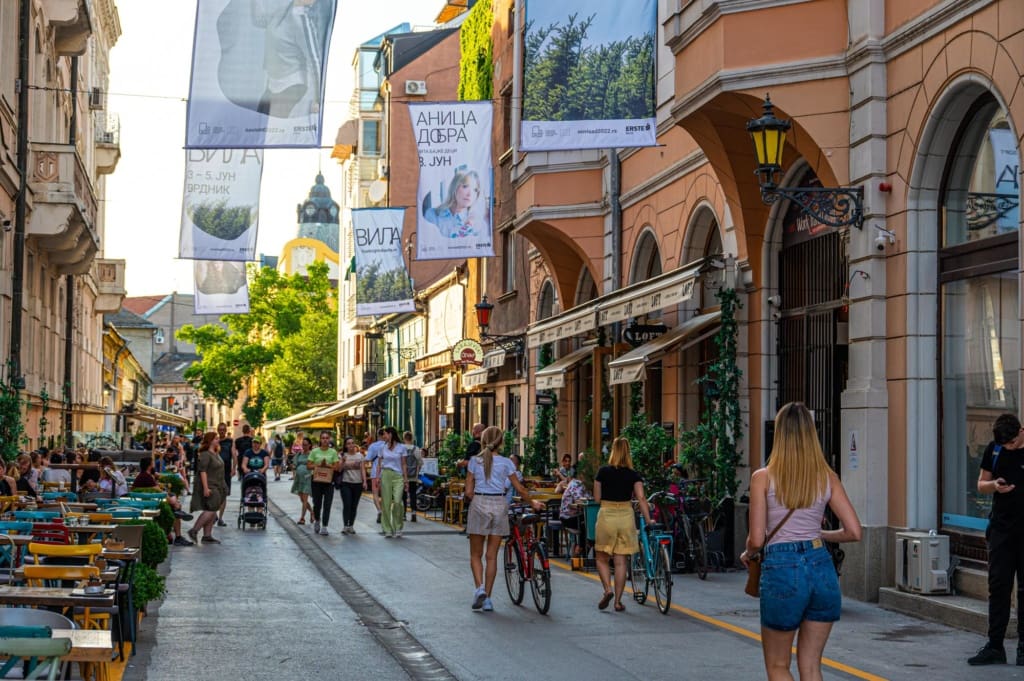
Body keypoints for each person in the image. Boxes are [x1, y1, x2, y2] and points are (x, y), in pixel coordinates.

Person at [741, 402, 861, 680]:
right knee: (811, 666)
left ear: (779, 434)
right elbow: (854, 531)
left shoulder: (763, 478)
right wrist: (820, 536)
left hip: (782, 569)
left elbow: (757, 539)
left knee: (779, 666)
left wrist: (748, 553)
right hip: (822, 568)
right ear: (811, 434)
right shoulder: (827, 477)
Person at [465, 426, 542, 612]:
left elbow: (468, 491)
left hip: (480, 502)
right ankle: (488, 599)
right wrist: (533, 503)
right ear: (500, 442)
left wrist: (477, 501)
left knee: (476, 554)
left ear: (483, 441)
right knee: (492, 556)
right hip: (499, 505)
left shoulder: (474, 462)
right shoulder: (507, 463)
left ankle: (479, 589)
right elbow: (520, 489)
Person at [969, 412, 1024, 666]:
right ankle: (995, 646)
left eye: (1012, 443)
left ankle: (1023, 648)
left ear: (1021, 432)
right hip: (1001, 530)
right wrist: (995, 487)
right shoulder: (995, 449)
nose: (1009, 447)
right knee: (999, 588)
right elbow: (981, 483)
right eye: (1005, 445)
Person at [594, 437, 653, 612]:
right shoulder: (633, 474)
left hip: (607, 515)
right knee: (621, 562)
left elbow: (597, 498)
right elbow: (641, 498)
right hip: (626, 516)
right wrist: (648, 520)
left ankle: (607, 589)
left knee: (602, 558)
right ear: (628, 452)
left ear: (613, 450)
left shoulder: (602, 472)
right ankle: (618, 602)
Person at [134, 456, 194, 546]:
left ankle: (177, 517)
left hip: (148, 500)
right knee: (174, 507)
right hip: (150, 503)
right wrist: (172, 501)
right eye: (153, 463)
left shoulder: (144, 475)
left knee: (174, 504)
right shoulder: (146, 477)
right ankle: (178, 535)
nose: (154, 464)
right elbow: (159, 492)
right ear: (149, 465)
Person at [188, 432, 228, 544]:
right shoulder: (205, 454)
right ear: (210, 441)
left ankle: (207, 535)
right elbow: (203, 471)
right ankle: (194, 530)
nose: (218, 440)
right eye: (216, 439)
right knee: (211, 510)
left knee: (213, 509)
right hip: (210, 485)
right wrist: (205, 488)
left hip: (218, 485)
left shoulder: (215, 453)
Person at [421, 169, 485, 239]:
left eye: (475, 190)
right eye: (465, 186)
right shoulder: (431, 215)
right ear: (454, 187)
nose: (470, 194)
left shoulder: (477, 224)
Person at [376, 427, 408, 539]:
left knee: (398, 501)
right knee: (386, 503)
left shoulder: (402, 447)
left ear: (390, 434)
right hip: (386, 475)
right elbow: (379, 464)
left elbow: (404, 464)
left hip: (398, 476)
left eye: (384, 434)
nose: (383, 436)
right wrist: (377, 477)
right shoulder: (382, 448)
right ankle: (387, 528)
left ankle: (398, 527)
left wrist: (406, 479)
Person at [306, 430, 340, 536]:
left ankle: (325, 526)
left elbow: (337, 467)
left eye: (326, 438)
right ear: (320, 439)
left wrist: (328, 465)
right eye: (323, 438)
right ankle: (317, 520)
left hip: (329, 481)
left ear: (329, 439)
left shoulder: (333, 452)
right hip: (316, 481)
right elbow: (308, 465)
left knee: (327, 504)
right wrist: (318, 464)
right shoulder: (314, 451)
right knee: (317, 503)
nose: (325, 440)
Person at [336, 436, 366, 534]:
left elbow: (363, 470)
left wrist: (364, 481)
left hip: (357, 483)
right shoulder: (342, 455)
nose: (351, 445)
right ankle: (345, 525)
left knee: (354, 505)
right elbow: (339, 469)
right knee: (347, 504)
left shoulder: (360, 456)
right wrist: (343, 461)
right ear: (345, 445)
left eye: (352, 443)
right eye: (348, 443)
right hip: (346, 483)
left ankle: (351, 526)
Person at [559, 470, 589, 555]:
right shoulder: (576, 484)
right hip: (568, 518)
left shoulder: (580, 484)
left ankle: (583, 548)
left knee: (589, 521)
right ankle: (580, 548)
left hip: (573, 516)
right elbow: (579, 501)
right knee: (587, 523)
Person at [290, 437, 314, 525]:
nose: (304, 446)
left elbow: (314, 465)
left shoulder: (312, 454)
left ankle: (302, 518)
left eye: (305, 444)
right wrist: (293, 466)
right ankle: (312, 512)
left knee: (304, 499)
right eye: (303, 444)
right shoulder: (299, 454)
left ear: (309, 445)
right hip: (299, 479)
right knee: (302, 499)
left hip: (307, 478)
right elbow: (294, 464)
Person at [215, 422, 234, 527]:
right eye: (220, 429)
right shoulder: (215, 441)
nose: (221, 431)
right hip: (216, 471)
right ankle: (214, 514)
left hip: (226, 471)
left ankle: (220, 518)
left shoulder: (230, 441)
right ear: (218, 430)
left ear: (226, 430)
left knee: (224, 495)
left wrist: (234, 468)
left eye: (223, 429)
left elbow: (233, 454)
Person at [365, 429, 385, 526]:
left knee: (375, 493)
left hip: (375, 473)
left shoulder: (373, 446)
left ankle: (379, 511)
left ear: (378, 435)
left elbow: (368, 458)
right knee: (385, 494)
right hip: (387, 472)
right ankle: (383, 510)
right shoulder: (389, 445)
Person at [402, 432, 423, 523]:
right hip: (413, 476)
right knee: (413, 494)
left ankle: (403, 514)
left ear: (404, 438)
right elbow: (420, 462)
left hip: (403, 476)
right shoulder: (416, 449)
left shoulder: (401, 448)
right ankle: (414, 513)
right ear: (412, 438)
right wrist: (417, 472)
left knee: (403, 495)